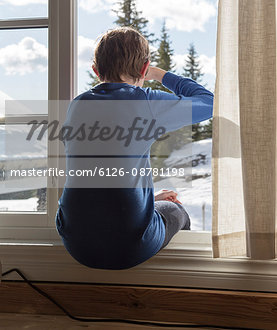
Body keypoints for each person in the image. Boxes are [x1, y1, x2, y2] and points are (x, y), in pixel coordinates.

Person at [55, 26, 214, 270]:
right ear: (143, 69)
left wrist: (150, 198)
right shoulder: (144, 101)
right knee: (175, 211)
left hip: (75, 241)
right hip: (129, 247)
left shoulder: (78, 105)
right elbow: (209, 103)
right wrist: (159, 75)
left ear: (96, 71)